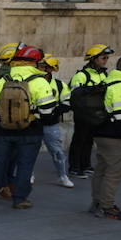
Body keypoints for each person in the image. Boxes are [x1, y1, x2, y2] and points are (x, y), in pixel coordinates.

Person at [0, 44, 58, 209]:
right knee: (25, 165)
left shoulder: (3, 79)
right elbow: (48, 112)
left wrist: (2, 117)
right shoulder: (40, 82)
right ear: (36, 63)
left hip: (2, 130)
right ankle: (20, 199)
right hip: (30, 131)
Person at [89, 54, 121, 221]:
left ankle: (97, 203)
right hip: (115, 135)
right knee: (115, 171)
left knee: (102, 169)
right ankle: (107, 207)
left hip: (100, 131)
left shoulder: (107, 81)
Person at [67, 44, 113, 178]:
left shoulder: (104, 74)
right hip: (83, 113)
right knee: (79, 140)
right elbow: (74, 95)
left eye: (107, 58)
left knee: (89, 140)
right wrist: (94, 89)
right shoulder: (82, 75)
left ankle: (85, 165)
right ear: (93, 59)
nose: (106, 60)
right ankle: (74, 167)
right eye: (103, 57)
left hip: (96, 114)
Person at [38, 55, 74, 188]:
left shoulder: (59, 85)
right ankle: (29, 175)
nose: (42, 70)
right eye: (40, 66)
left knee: (57, 152)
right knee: (29, 152)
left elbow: (67, 102)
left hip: (51, 124)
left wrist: (54, 112)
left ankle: (63, 176)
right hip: (33, 124)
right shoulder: (31, 83)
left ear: (51, 69)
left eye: (45, 67)